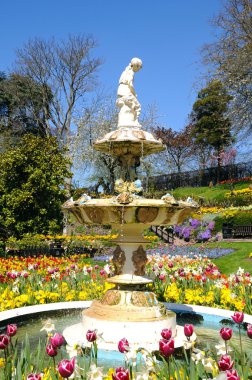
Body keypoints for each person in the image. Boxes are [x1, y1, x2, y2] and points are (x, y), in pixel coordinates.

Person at [116, 58, 143, 127]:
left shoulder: (126, 71)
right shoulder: (130, 72)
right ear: (136, 66)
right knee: (138, 106)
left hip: (121, 90)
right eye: (139, 67)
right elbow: (130, 84)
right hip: (126, 90)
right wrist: (134, 93)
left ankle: (128, 121)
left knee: (129, 105)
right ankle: (135, 122)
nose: (139, 70)